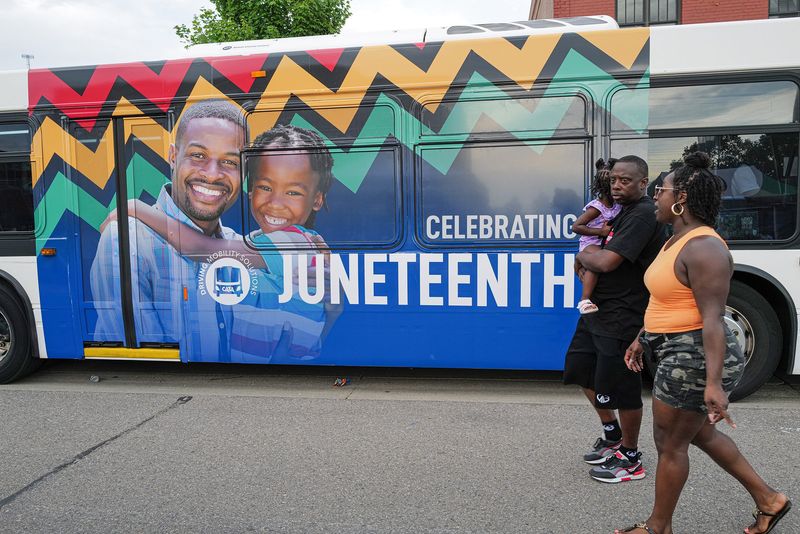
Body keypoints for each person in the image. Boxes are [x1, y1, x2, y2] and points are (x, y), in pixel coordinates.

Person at [615, 152, 791, 534]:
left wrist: (713, 384)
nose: (655, 198)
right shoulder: (674, 240)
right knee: (697, 433)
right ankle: (769, 500)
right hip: (674, 347)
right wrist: (641, 338)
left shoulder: (704, 248)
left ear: (680, 199)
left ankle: (658, 528)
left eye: (660, 190)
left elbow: (712, 318)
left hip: (694, 353)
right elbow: (667, 299)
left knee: (670, 442)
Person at [112, 124, 340, 359]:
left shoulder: (293, 241)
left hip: (280, 358)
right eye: (265, 187)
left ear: (317, 200)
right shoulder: (257, 242)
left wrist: (136, 208)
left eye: (293, 192)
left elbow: (200, 249)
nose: (275, 202)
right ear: (250, 191)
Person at [90, 98, 246, 358]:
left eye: (230, 162)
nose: (212, 174)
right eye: (198, 156)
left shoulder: (235, 244)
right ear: (173, 156)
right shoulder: (126, 239)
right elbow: (145, 365)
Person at [565, 155, 668, 483]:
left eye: (626, 180)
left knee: (622, 389)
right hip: (597, 311)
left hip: (623, 315)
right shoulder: (618, 211)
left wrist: (582, 255)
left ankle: (631, 457)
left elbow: (607, 262)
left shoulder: (642, 215)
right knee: (582, 371)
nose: (618, 185)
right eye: (614, 180)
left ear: (643, 183)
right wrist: (589, 258)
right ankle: (612, 435)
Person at [572, 158, 622, 314]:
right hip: (590, 243)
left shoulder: (617, 205)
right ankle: (584, 301)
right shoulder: (597, 207)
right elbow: (576, 226)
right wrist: (600, 232)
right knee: (594, 263)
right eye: (612, 184)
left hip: (602, 244)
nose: (617, 187)